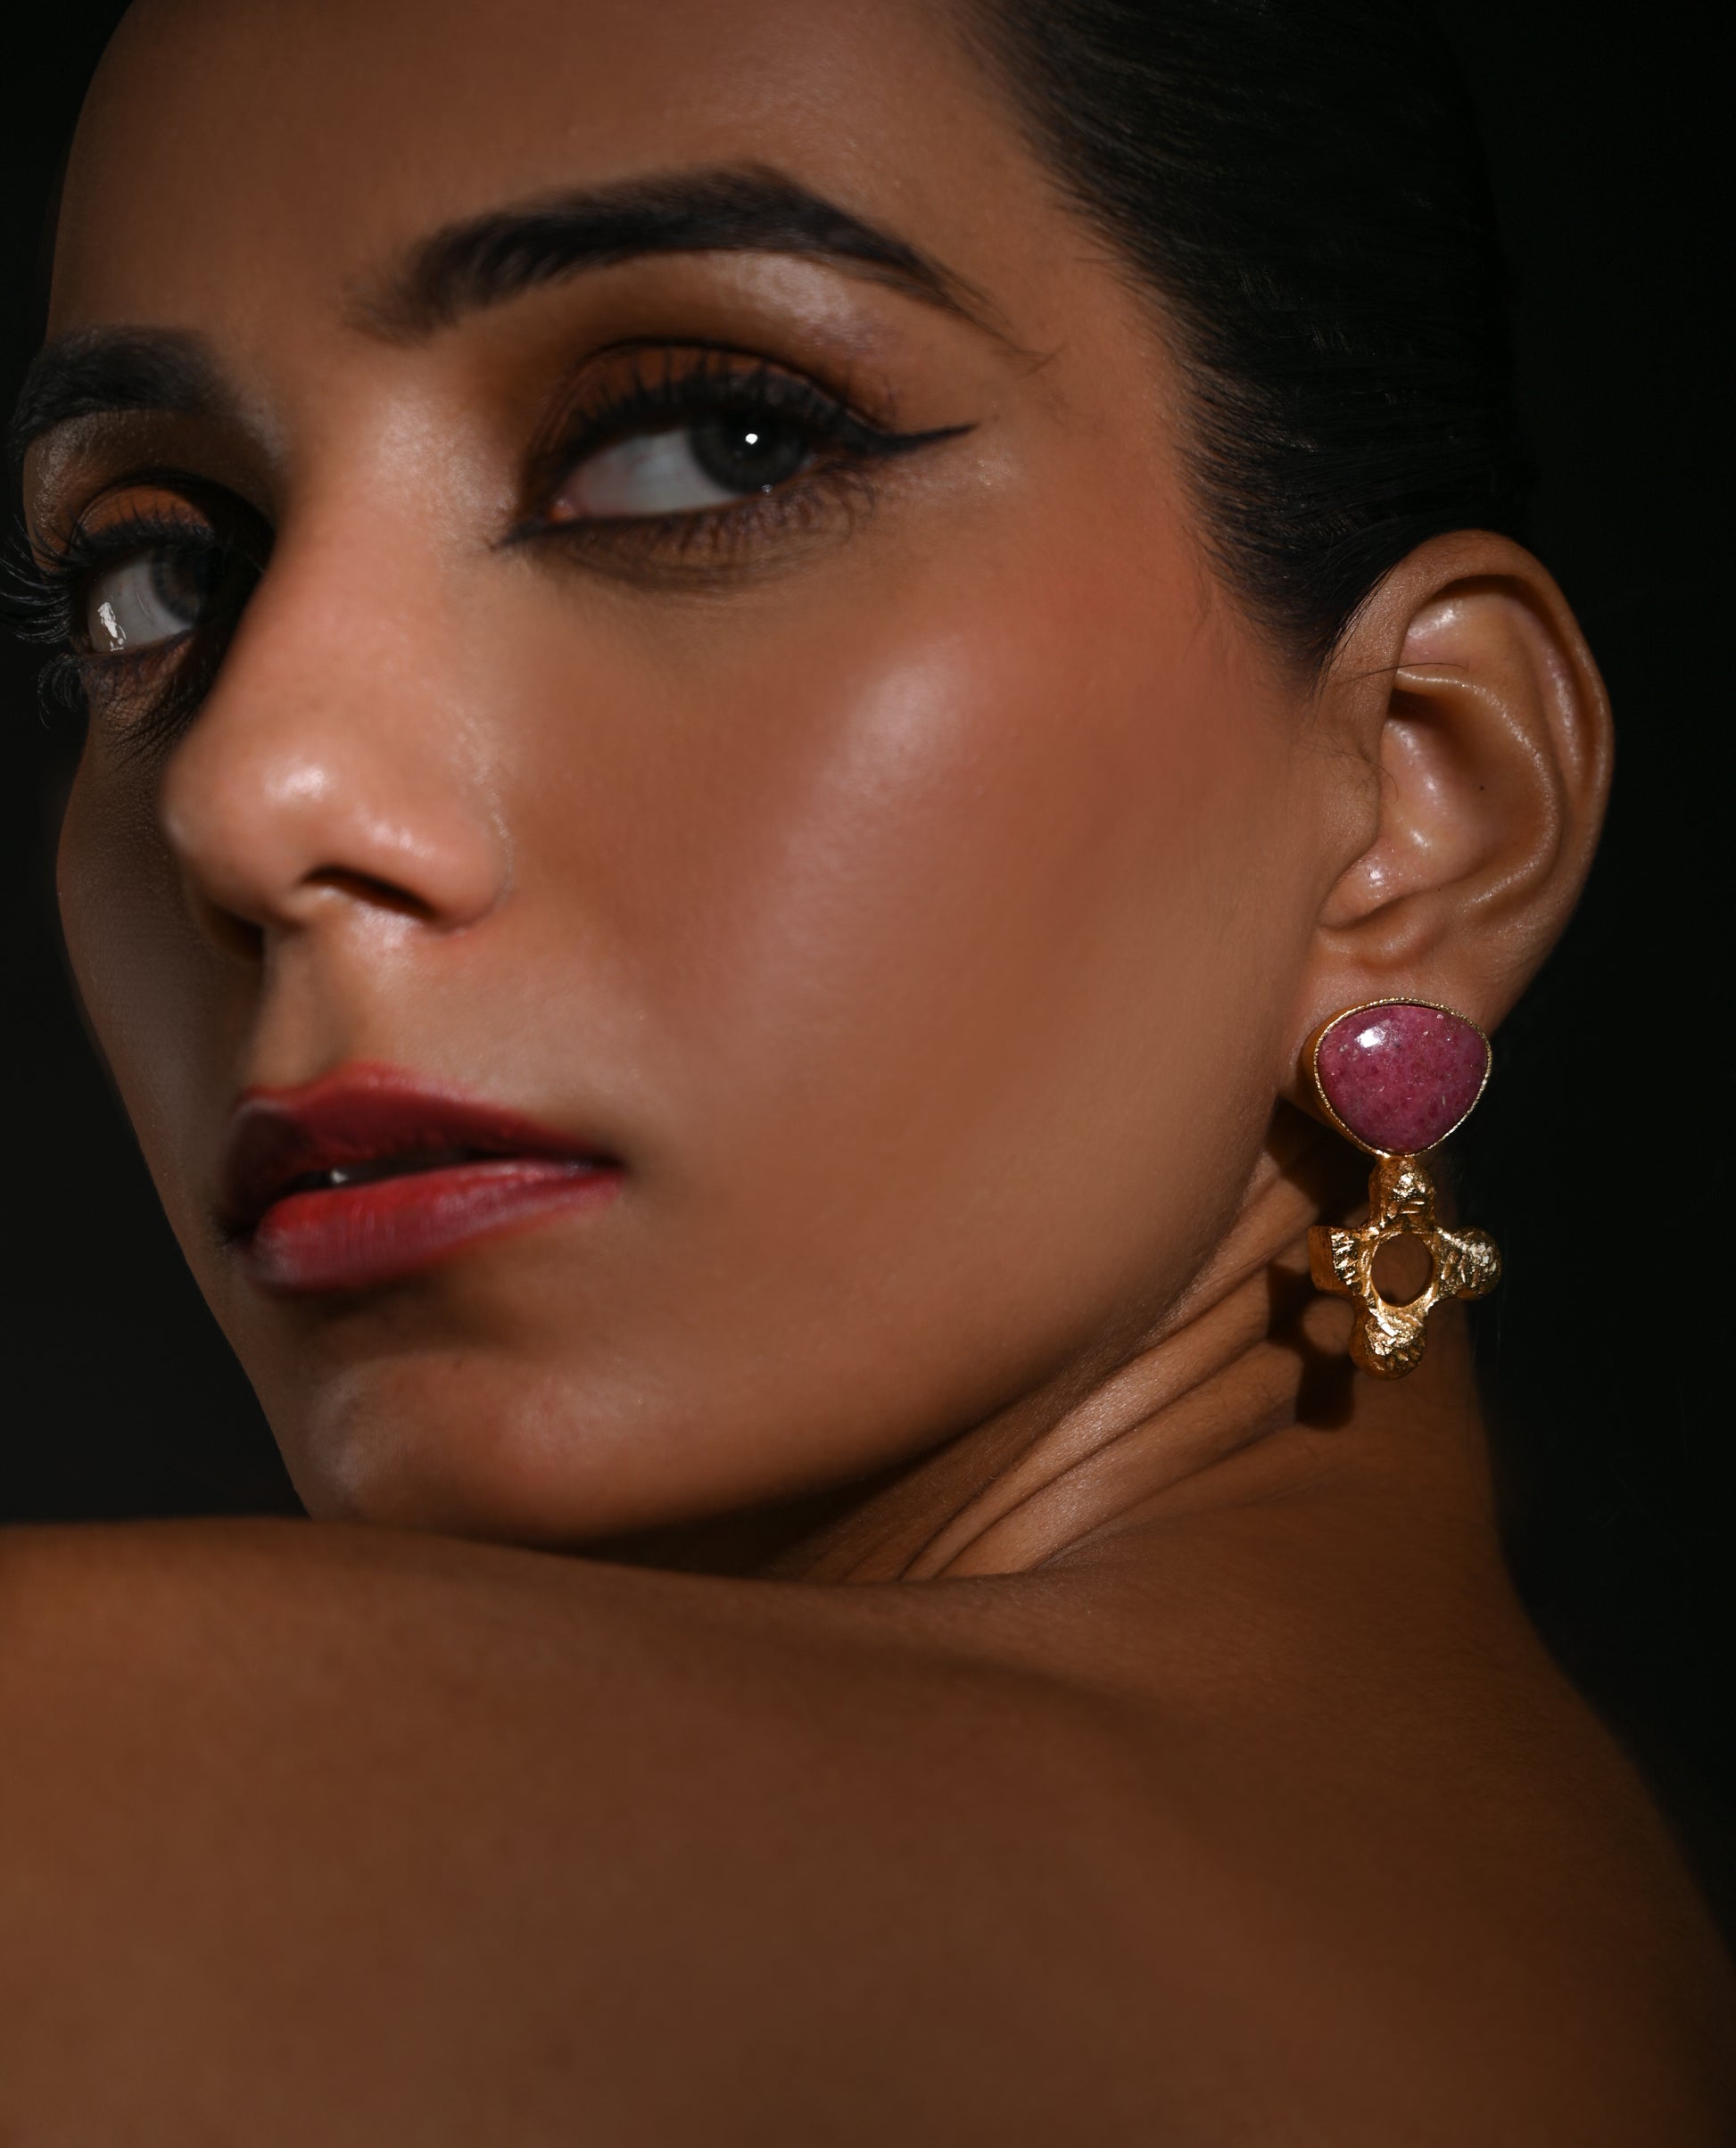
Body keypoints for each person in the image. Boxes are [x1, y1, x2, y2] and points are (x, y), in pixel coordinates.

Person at [2, 0, 1731, 2136]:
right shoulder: (1545, 1929)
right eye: (158, 572)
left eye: (710, 446)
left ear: (1419, 798)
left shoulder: (88, 1804)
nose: (249, 796)